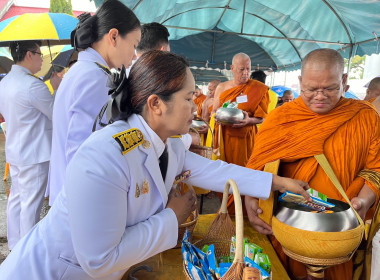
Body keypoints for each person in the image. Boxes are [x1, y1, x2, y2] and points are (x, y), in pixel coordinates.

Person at [0, 50, 311, 280]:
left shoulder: (166, 145)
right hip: (51, 271)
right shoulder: (105, 156)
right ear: (156, 104)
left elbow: (216, 171)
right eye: (190, 98)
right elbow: (98, 259)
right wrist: (170, 218)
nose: (196, 107)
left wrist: (277, 183)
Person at [245, 48, 380, 280]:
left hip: (339, 233)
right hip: (287, 229)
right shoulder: (280, 119)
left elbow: (376, 169)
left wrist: (364, 201)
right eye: (310, 89)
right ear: (300, 82)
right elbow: (256, 169)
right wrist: (250, 200)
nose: (319, 96)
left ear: (344, 81)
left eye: (329, 88)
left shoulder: (365, 117)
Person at [46, 0, 141, 206]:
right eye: (134, 45)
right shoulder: (95, 77)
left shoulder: (83, 70)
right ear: (114, 36)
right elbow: (80, 149)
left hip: (68, 193)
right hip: (77, 199)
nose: (134, 56)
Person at [0, 40, 60, 250]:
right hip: (34, 154)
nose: (41, 58)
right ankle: (27, 250)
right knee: (31, 204)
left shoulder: (5, 82)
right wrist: (56, 89)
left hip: (16, 150)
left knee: (16, 199)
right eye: (39, 54)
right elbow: (56, 113)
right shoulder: (33, 85)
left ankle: (15, 246)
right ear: (28, 55)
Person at [212, 53, 270, 167]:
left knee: (244, 169)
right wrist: (215, 117)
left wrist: (249, 121)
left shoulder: (259, 89)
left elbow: (261, 118)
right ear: (232, 68)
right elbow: (214, 111)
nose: (245, 73)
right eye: (241, 69)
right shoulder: (222, 87)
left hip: (245, 139)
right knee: (223, 169)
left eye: (248, 69)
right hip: (224, 136)